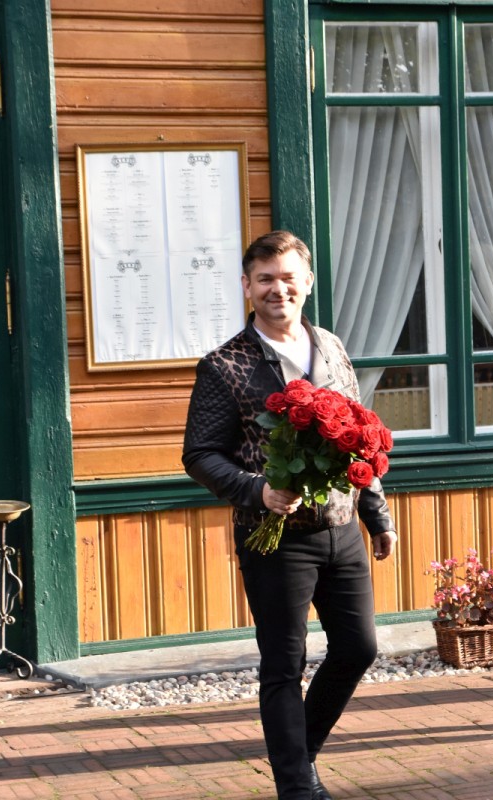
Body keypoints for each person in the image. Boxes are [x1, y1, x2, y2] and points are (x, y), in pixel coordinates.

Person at [182, 230, 398, 800]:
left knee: (358, 649)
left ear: (307, 282)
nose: (278, 289)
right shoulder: (224, 366)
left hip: (341, 529)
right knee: (284, 662)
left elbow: (359, 435)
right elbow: (199, 454)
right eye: (265, 279)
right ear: (247, 286)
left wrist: (376, 514)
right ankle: (297, 786)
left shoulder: (330, 345)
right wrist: (258, 491)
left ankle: (299, 757)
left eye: (288, 278)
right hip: (273, 537)